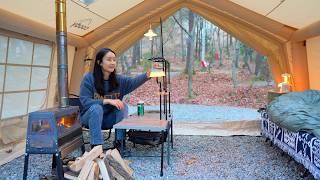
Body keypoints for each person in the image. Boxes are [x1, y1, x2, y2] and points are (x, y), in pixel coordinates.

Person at [79, 48, 150, 147]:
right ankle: (96, 146)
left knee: (123, 106)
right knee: (96, 108)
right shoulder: (89, 79)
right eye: (109, 59)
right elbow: (85, 101)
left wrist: (148, 74)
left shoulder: (119, 80)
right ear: (99, 62)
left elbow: (133, 81)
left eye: (114, 60)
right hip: (90, 118)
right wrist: (107, 101)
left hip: (108, 119)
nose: (112, 62)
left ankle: (119, 143)